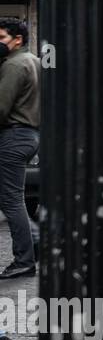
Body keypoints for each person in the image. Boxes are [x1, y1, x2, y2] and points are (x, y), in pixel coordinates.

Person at [0, 19, 40, 283]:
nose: (0, 41)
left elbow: (1, 108)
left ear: (17, 39)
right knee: (13, 198)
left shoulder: (13, 65)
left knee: (11, 200)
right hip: (29, 135)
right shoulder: (34, 60)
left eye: (2, 37)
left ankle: (24, 260)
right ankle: (36, 243)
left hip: (14, 135)